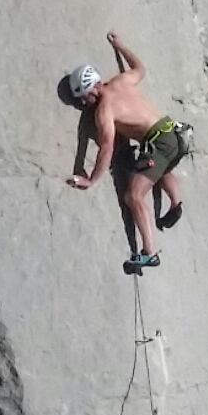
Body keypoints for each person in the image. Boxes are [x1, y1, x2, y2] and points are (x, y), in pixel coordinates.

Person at [66, 32, 184, 271]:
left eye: (83, 97)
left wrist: (91, 179)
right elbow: (139, 69)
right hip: (174, 133)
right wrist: (119, 45)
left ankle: (149, 253)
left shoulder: (104, 110)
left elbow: (106, 147)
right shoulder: (120, 81)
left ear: (91, 90)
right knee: (159, 167)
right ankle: (175, 203)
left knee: (133, 195)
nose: (83, 103)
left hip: (159, 143)